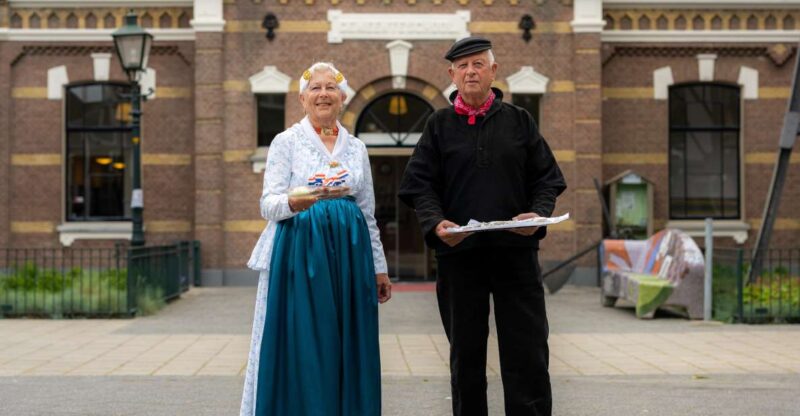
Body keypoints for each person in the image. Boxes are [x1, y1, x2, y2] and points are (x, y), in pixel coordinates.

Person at [398, 37, 566, 416]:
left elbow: (547, 179)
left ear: (493, 71)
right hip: (460, 257)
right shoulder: (438, 125)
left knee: (528, 354)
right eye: (463, 66)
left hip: (517, 255)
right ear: (452, 75)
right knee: (466, 358)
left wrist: (536, 214)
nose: (470, 71)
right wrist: (435, 220)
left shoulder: (520, 121)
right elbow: (418, 184)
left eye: (478, 64)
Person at [240, 62, 392, 416]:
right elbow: (268, 204)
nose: (323, 94)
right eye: (315, 88)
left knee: (349, 339)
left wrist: (379, 267)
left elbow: (368, 212)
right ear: (302, 99)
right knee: (309, 338)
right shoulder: (286, 142)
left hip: (351, 255)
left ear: (342, 97)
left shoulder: (356, 148)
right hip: (301, 252)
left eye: (330, 88)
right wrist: (296, 200)